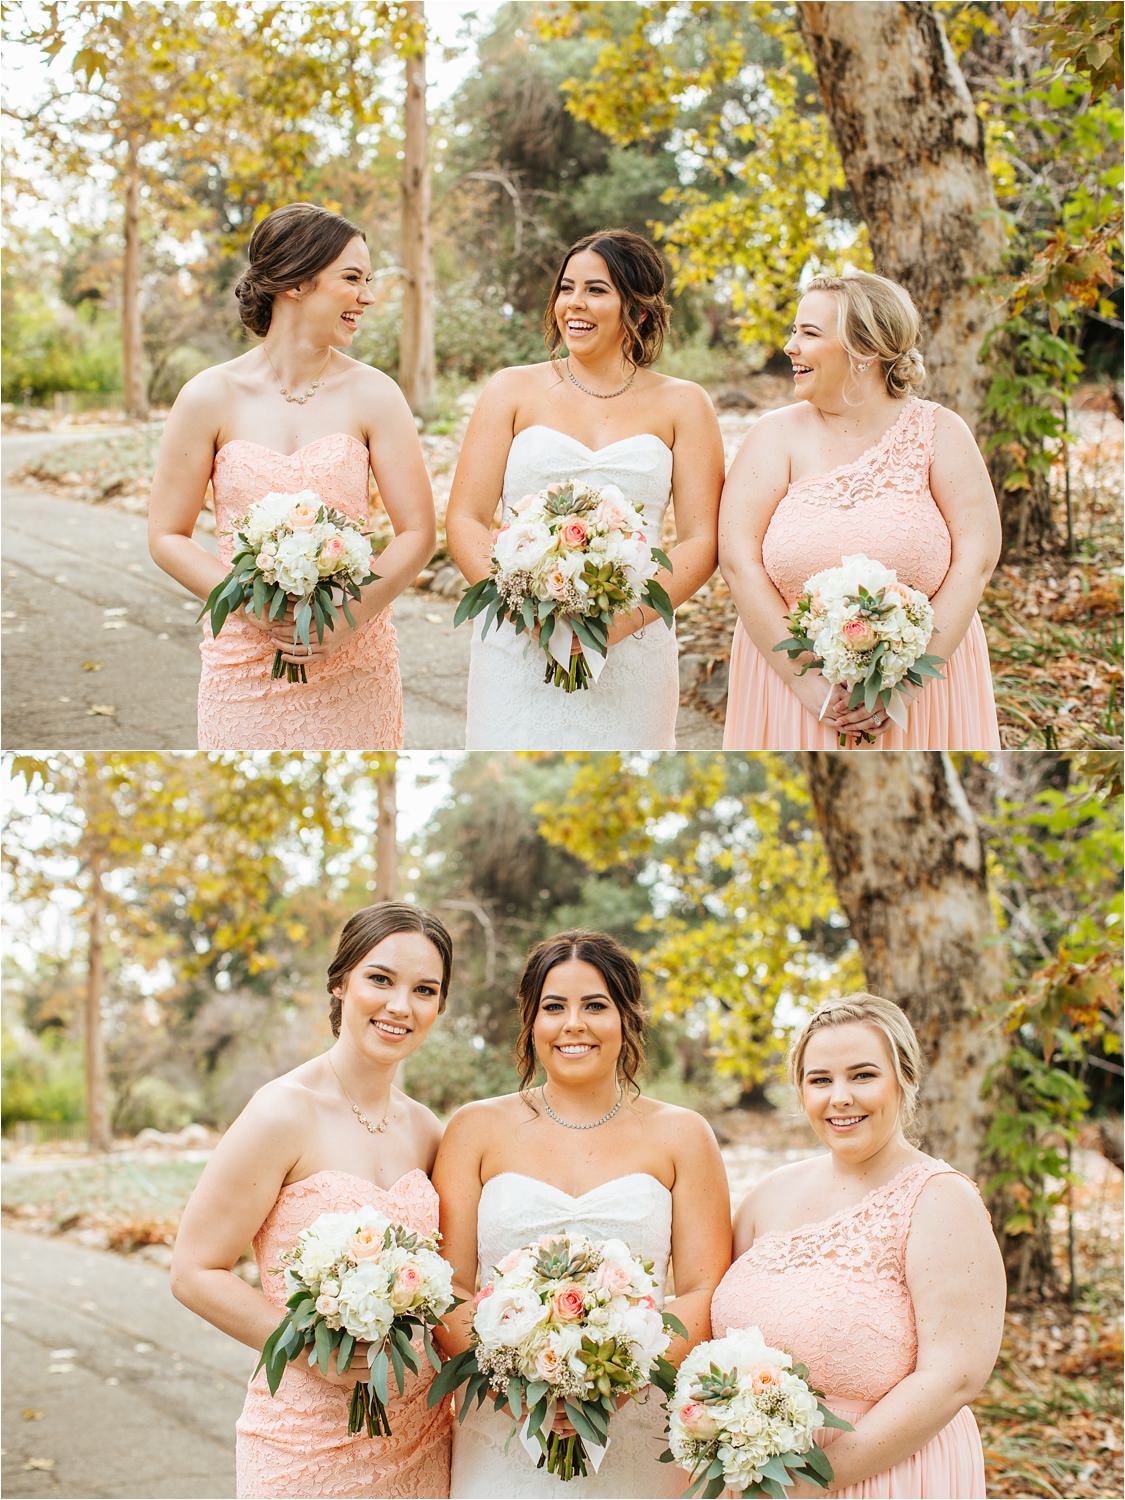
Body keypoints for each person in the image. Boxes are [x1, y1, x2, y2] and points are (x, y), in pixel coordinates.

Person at [433, 929, 731, 1498]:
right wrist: (528, 1387)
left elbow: (704, 1288)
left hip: (640, 1424)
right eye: (554, 1007)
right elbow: (448, 1287)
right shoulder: (475, 1129)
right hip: (501, 1426)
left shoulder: (683, 1135)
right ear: (531, 1022)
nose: (574, 1024)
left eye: (595, 1005)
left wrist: (610, 1383)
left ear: (627, 1018)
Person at [171, 902, 455, 1498]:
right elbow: (195, 1271)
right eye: (381, 979)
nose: (401, 1005)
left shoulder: (429, 1130)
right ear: (340, 982)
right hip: (305, 1442)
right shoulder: (282, 1112)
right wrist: (306, 1351)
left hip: (424, 1437)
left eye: (424, 989)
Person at [148, 202, 435, 750]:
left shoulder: (376, 394)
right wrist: (252, 607)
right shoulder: (208, 396)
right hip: (245, 663)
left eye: (368, 280)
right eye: (352, 278)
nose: (368, 297)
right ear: (296, 283)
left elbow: (418, 532)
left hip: (355, 665)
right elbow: (166, 536)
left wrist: (348, 618)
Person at [711, 993, 1005, 1498]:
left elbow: (954, 1376)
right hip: (758, 1477)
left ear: (905, 1079)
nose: (840, 1097)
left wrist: (812, 1480)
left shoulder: (940, 1199)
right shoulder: (767, 1196)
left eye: (863, 1075)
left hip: (888, 1473)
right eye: (820, 1080)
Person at [447, 229, 724, 750]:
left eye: (596, 290)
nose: (574, 303)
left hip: (633, 647)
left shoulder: (685, 405)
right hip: (518, 644)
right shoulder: (511, 389)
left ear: (638, 311)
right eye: (566, 288)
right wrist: (522, 609)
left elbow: (700, 539)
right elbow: (465, 517)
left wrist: (617, 623)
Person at [719, 270, 1002, 750]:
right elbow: (736, 561)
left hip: (925, 690)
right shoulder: (773, 435)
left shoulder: (940, 432)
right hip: (791, 686)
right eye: (793, 330)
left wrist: (906, 687)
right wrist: (806, 684)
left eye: (809, 333)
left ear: (865, 351)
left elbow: (975, 560)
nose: (790, 347)